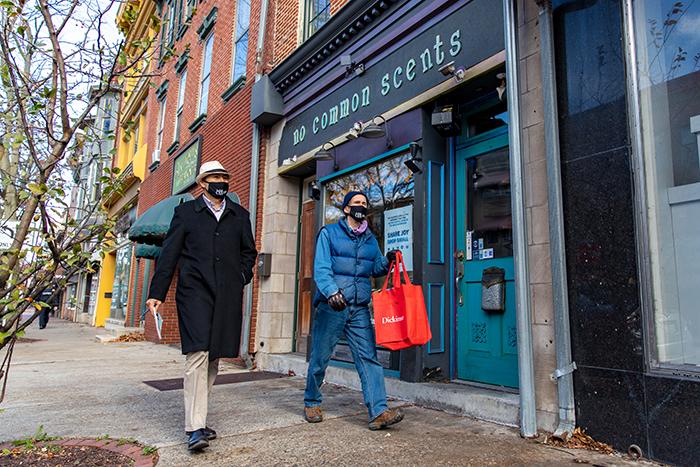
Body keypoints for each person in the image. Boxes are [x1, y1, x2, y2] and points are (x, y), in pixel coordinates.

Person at [146, 161, 257, 451]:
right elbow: (169, 254)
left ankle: (200, 417)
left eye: (224, 176)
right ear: (202, 183)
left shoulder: (239, 215)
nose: (220, 181)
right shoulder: (185, 214)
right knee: (197, 353)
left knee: (213, 357)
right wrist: (156, 292)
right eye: (214, 177)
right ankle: (194, 428)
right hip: (194, 293)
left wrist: (242, 276)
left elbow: (249, 252)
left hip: (227, 295)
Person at [304, 191, 404, 430]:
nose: (362, 206)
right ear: (346, 209)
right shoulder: (329, 234)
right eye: (357, 203)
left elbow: (374, 267)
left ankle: (378, 410)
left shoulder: (370, 239)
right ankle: (312, 401)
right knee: (320, 357)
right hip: (333, 305)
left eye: (364, 204)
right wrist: (331, 292)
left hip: (359, 308)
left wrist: (387, 260)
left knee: (368, 358)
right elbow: (322, 268)